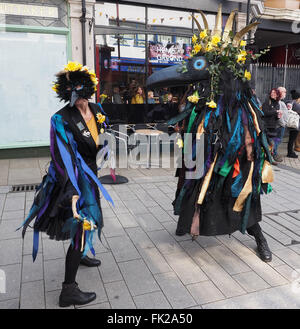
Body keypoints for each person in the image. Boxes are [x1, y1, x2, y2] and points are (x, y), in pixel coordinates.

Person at [146, 6, 273, 262]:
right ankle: (185, 222)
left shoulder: (242, 105)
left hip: (235, 167)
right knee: (193, 185)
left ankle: (258, 235)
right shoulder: (201, 101)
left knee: (241, 196)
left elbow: (252, 139)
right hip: (203, 161)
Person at [20, 61, 114, 307]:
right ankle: (68, 290)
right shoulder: (60, 118)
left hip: (91, 176)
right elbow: (62, 157)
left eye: (83, 91)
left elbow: (102, 135)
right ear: (66, 91)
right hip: (73, 178)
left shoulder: (97, 108)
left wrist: (105, 147)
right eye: (74, 91)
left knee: (92, 220)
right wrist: (71, 190)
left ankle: (81, 255)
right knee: (81, 225)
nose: (79, 98)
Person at [262, 88, 282, 161]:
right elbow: (265, 113)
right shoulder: (267, 102)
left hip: (273, 126)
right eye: (272, 92)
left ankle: (269, 157)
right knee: (267, 143)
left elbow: (275, 116)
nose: (272, 94)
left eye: (274, 93)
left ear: (277, 95)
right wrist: (275, 111)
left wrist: (278, 116)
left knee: (271, 143)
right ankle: (269, 158)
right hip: (266, 126)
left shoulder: (277, 103)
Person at [271, 86, 288, 162]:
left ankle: (273, 153)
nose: (285, 93)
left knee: (276, 141)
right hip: (279, 126)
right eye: (284, 92)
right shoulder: (278, 103)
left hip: (280, 125)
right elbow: (279, 115)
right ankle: (274, 154)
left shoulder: (281, 102)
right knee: (276, 141)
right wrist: (283, 124)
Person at [286, 89, 300, 158]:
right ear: (298, 98)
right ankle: (290, 152)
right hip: (295, 124)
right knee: (292, 139)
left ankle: (290, 151)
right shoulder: (297, 105)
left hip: (288, 122)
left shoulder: (288, 102)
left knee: (290, 139)